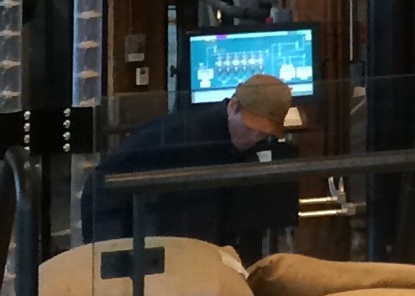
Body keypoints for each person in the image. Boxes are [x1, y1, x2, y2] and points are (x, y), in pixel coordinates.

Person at [81, 74, 304, 248]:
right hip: (146, 244)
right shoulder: (178, 135)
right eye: (250, 127)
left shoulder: (248, 146)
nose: (255, 137)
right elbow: (103, 183)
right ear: (232, 107)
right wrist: (110, 253)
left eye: (264, 133)